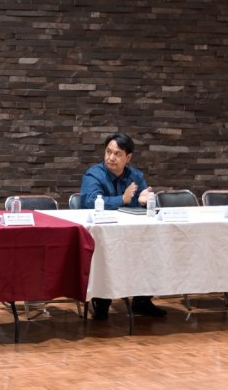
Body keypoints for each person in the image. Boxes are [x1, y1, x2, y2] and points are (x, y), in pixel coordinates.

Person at [79, 132, 167, 321]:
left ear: (128, 158)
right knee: (106, 252)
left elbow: (143, 202)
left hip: (130, 234)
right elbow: (91, 202)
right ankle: (101, 301)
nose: (111, 157)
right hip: (101, 235)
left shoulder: (136, 176)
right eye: (108, 152)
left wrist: (144, 201)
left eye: (117, 154)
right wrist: (123, 199)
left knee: (152, 247)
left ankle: (142, 300)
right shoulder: (94, 174)